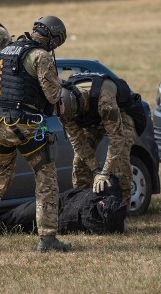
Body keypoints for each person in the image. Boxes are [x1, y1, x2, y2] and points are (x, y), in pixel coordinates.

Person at [0, 15, 72, 252]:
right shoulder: (40, 56)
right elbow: (52, 95)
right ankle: (48, 238)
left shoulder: (9, 49)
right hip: (26, 127)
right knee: (46, 179)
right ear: (52, 38)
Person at [55, 73, 137, 211]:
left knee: (120, 161)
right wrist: (95, 170)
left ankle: (123, 208)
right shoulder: (63, 109)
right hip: (92, 118)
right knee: (79, 162)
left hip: (120, 113)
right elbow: (78, 142)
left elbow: (117, 138)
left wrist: (104, 173)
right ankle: (81, 207)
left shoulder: (105, 101)